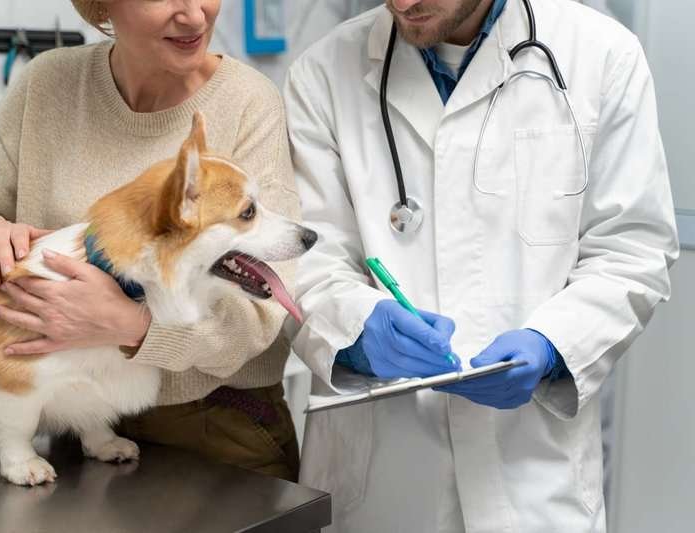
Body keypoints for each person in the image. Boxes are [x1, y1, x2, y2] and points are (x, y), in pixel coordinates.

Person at [283, 0, 678, 530]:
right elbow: (304, 258)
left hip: (533, 482)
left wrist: (553, 345)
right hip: (384, 487)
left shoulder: (603, 56)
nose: (403, 3)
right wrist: (358, 327)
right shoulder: (321, 74)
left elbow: (632, 247)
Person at [0, 0, 301, 482]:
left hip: (214, 427)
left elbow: (261, 317)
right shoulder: (46, 84)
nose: (193, 16)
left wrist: (132, 326)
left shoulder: (249, 102)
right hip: (65, 421)